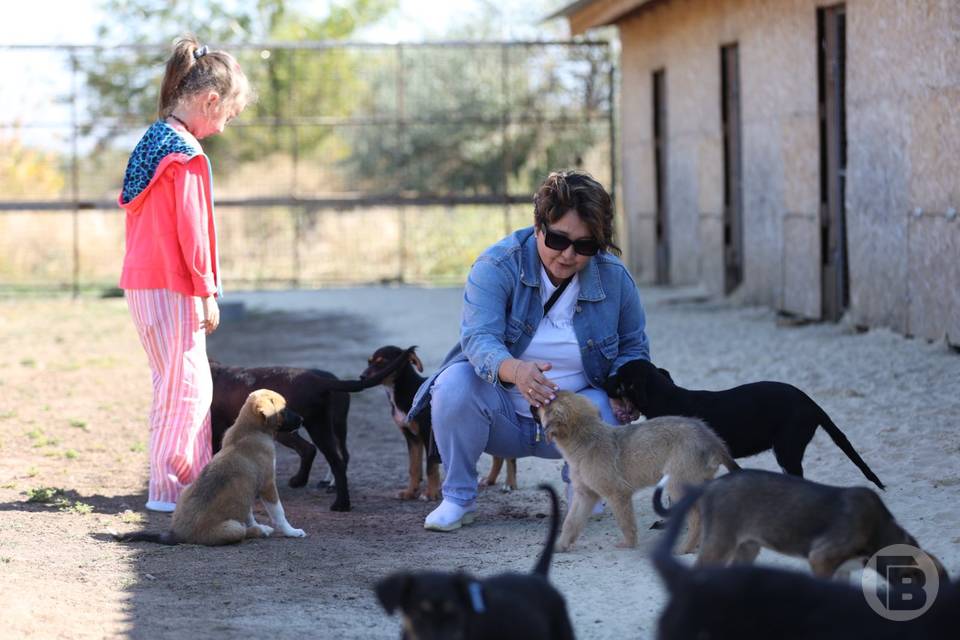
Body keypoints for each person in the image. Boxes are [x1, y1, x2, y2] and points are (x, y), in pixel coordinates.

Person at [409, 169, 650, 531]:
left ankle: (587, 493)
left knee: (606, 405)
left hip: (578, 418)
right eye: (557, 239)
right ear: (538, 225)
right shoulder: (496, 265)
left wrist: (624, 389)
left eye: (584, 246)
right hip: (501, 414)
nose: (569, 255)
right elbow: (478, 338)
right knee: (453, 386)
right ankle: (458, 498)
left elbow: (633, 348)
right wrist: (516, 371)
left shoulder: (614, 278)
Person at [118, 35, 254, 512]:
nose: (222, 127)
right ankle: (176, 491)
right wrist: (207, 291)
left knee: (170, 382)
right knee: (190, 388)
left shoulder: (153, 141)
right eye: (227, 116)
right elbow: (192, 233)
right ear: (210, 100)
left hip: (141, 283)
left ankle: (169, 485)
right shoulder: (187, 154)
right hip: (174, 285)